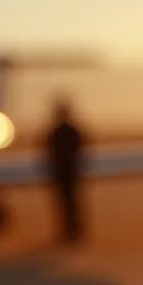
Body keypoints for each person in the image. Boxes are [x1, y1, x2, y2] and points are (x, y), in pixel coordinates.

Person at [46, 95, 85, 244]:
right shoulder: (68, 131)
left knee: (69, 204)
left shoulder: (58, 132)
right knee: (68, 204)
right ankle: (71, 232)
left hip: (65, 173)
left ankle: (73, 232)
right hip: (66, 173)